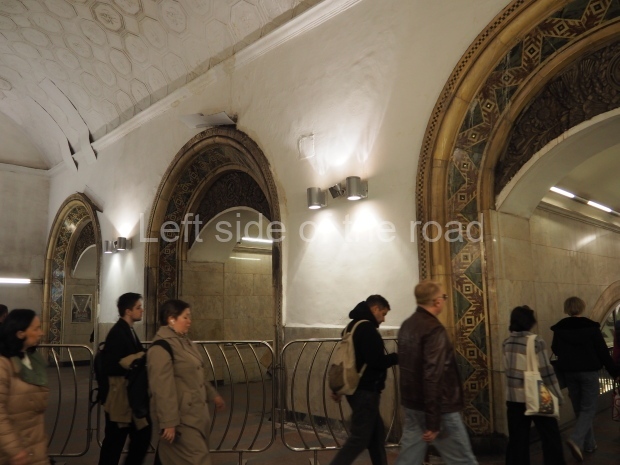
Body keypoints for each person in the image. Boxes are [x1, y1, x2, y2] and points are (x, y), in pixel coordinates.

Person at [395, 280, 477, 465]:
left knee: (408, 459)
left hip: (413, 405)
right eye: (444, 297)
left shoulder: (407, 325)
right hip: (439, 409)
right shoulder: (434, 330)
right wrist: (433, 422)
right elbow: (433, 375)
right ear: (437, 301)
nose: (444, 300)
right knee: (462, 460)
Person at [147, 299, 225, 465]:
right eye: (185, 317)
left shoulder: (185, 342)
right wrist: (168, 422)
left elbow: (197, 374)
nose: (189, 321)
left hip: (195, 415)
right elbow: (162, 389)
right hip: (182, 419)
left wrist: (213, 395)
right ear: (171, 318)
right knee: (198, 459)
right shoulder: (161, 347)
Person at [328, 295, 398, 465]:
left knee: (376, 437)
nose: (383, 319)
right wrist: (397, 357)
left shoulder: (352, 326)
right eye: (383, 313)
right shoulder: (367, 329)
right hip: (365, 392)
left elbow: (350, 361)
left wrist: (338, 388)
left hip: (356, 389)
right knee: (359, 439)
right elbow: (376, 361)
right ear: (375, 308)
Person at [550, 296, 619, 462]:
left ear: (567, 309)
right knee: (589, 408)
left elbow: (556, 349)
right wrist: (614, 372)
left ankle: (589, 443)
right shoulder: (591, 328)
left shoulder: (560, 329)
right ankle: (576, 439)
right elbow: (603, 352)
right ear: (582, 307)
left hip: (569, 373)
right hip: (589, 373)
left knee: (579, 409)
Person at [504, 305, 565, 465]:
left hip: (513, 399)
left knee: (517, 441)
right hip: (537, 396)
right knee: (550, 436)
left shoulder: (507, 343)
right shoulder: (536, 341)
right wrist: (557, 396)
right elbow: (546, 372)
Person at [98, 293, 151, 465]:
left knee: (139, 436)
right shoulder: (118, 333)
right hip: (119, 397)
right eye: (138, 307)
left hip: (128, 396)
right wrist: (135, 360)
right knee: (115, 442)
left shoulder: (128, 330)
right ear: (128, 311)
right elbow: (111, 365)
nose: (142, 310)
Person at [0, 309, 49, 465]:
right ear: (20, 333)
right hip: (13, 451)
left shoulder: (32, 359)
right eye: (36, 329)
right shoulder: (3, 364)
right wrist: (14, 449)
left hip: (33, 444)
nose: (41, 333)